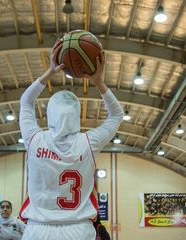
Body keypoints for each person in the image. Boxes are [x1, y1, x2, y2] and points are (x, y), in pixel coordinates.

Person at [18, 38, 123, 240]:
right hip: (79, 230)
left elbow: (26, 101)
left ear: (49, 113)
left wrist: (50, 71)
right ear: (77, 115)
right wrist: (98, 81)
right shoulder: (89, 143)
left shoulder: (34, 138)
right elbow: (117, 115)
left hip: (37, 230)